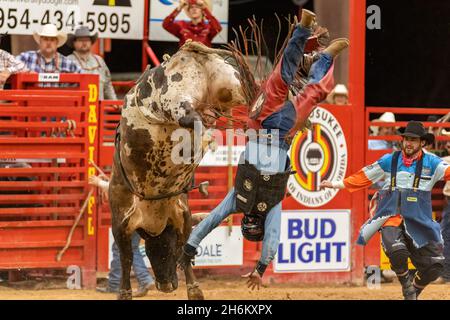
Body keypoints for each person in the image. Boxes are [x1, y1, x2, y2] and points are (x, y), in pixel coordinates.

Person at [177, 9, 349, 290]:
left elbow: (264, 238)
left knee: (298, 86)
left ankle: (312, 42)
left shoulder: (250, 202)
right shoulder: (247, 203)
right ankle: (319, 49)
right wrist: (190, 249)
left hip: (271, 130)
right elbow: (216, 222)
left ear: (249, 223)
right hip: (272, 130)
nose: (255, 221)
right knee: (292, 83)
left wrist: (190, 250)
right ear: (248, 222)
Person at [321, 121, 450, 300]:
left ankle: (413, 289)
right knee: (397, 252)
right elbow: (364, 176)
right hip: (392, 217)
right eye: (406, 139)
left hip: (420, 221)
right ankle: (406, 284)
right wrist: (335, 184)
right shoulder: (390, 160)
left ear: (422, 143)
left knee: (435, 266)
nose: (409, 143)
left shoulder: (433, 163)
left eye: (413, 140)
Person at [89, 175, 155, 297]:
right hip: (143, 214)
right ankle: (143, 279)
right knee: (130, 248)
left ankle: (122, 282)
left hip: (132, 214)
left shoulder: (132, 171)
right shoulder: (144, 176)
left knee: (122, 248)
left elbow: (123, 189)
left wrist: (101, 183)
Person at [67, 26, 117, 100]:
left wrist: (114, 101)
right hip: (76, 108)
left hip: (97, 108)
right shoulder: (68, 61)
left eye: (87, 40)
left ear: (91, 42)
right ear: (74, 43)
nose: (84, 43)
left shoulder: (99, 61)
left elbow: (107, 85)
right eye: (80, 40)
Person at [17, 24, 81, 77]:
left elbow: (83, 76)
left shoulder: (67, 63)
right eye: (45, 39)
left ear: (57, 43)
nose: (49, 43)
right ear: (40, 41)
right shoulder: (26, 57)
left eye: (52, 40)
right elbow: (10, 65)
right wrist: (26, 71)